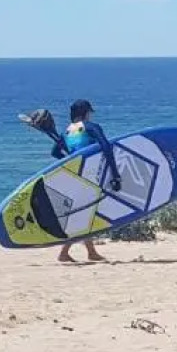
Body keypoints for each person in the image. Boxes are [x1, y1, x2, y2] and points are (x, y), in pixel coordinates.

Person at [57, 99, 121, 264]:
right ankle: (64, 252)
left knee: (85, 211)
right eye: (89, 112)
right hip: (90, 176)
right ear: (85, 113)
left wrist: (71, 161)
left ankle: (91, 252)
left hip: (75, 175)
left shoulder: (67, 132)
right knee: (85, 213)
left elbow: (55, 153)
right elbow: (106, 147)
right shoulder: (91, 127)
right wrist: (115, 174)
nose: (90, 115)